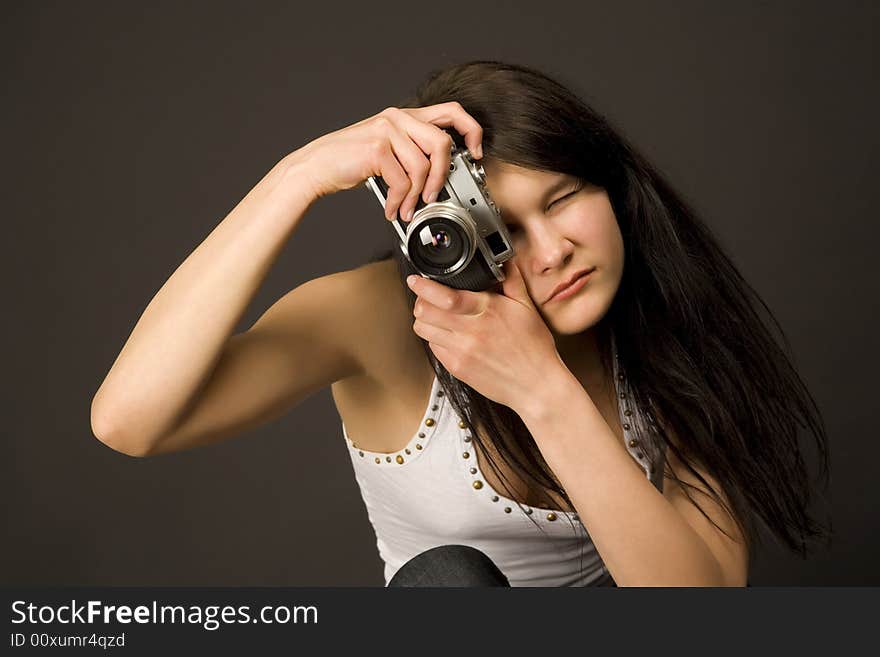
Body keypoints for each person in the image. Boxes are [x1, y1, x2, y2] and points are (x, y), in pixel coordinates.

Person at [90, 60, 831, 587]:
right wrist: (299, 175)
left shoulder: (667, 324)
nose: (554, 251)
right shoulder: (383, 314)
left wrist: (541, 386)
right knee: (450, 578)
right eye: (504, 227)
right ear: (452, 237)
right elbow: (128, 420)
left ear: (614, 189)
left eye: (564, 197)